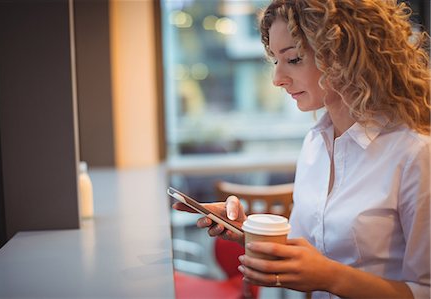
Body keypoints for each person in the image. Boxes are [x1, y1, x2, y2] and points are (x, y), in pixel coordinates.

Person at [173, 0, 430, 298]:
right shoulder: (315, 144)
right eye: (275, 61)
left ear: (345, 55)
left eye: (293, 59)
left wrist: (332, 277)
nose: (277, 79)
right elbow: (306, 249)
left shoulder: (416, 153)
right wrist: (248, 231)